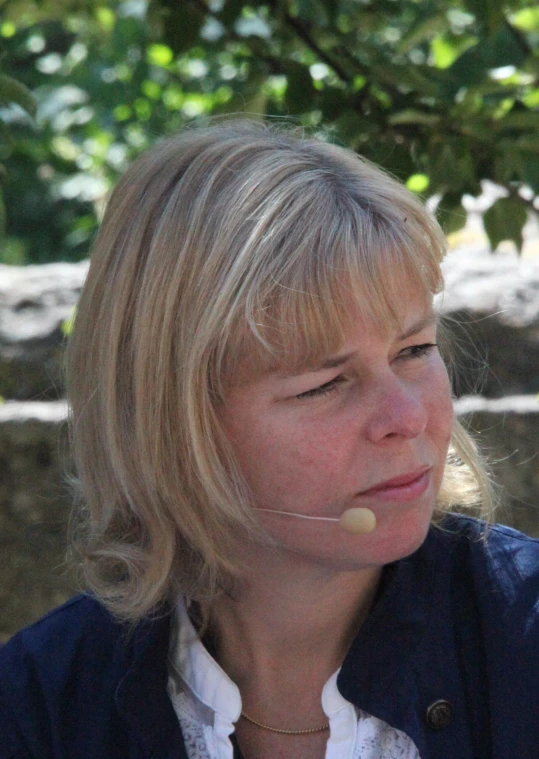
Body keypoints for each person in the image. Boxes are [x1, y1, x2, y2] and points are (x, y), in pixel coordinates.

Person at [0, 120, 537, 759]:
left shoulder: (522, 636)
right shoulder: (42, 703)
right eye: (325, 383)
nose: (407, 415)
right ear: (174, 423)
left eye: (415, 349)